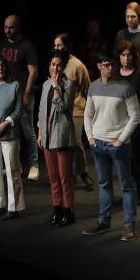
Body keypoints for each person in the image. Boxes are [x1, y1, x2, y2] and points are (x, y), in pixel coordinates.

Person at [82, 54, 140, 240]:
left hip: (118, 145)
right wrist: (90, 138)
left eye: (112, 65)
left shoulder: (126, 87)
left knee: (127, 186)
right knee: (104, 184)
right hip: (98, 144)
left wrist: (121, 139)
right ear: (99, 66)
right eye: (106, 65)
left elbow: (135, 117)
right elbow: (88, 114)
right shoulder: (93, 86)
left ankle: (130, 226)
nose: (110, 68)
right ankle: (103, 221)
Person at [37, 51, 77, 227]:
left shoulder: (68, 85)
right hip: (46, 134)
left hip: (61, 135)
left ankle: (68, 211)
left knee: (64, 177)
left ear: (63, 67)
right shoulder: (45, 84)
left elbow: (64, 108)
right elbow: (41, 110)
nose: (55, 68)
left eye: (58, 65)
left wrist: (56, 87)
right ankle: (57, 210)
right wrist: (39, 131)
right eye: (52, 64)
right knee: (53, 177)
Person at [0, 15, 39, 181]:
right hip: (6, 94)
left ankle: (34, 164)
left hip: (22, 93)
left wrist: (27, 94)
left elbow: (33, 72)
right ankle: (15, 165)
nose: (8, 30)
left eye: (11, 27)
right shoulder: (1, 45)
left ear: (18, 27)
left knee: (27, 130)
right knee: (11, 132)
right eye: (6, 27)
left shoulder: (27, 46)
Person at [116, 40, 140, 206]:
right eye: (123, 55)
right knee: (122, 159)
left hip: (136, 123)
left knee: (135, 158)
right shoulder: (115, 75)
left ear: (134, 56)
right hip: (118, 122)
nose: (126, 58)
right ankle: (127, 189)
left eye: (129, 55)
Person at [53, 32, 93, 191]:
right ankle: (69, 175)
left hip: (76, 109)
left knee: (75, 142)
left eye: (59, 45)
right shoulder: (55, 63)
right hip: (59, 108)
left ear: (66, 46)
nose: (56, 48)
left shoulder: (77, 65)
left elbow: (87, 89)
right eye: (54, 45)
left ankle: (83, 172)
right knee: (62, 143)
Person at [0, 58, 25, 219]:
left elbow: (19, 110)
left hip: (9, 134)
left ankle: (14, 207)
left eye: (2, 65)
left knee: (12, 171)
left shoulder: (14, 86)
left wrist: (3, 125)